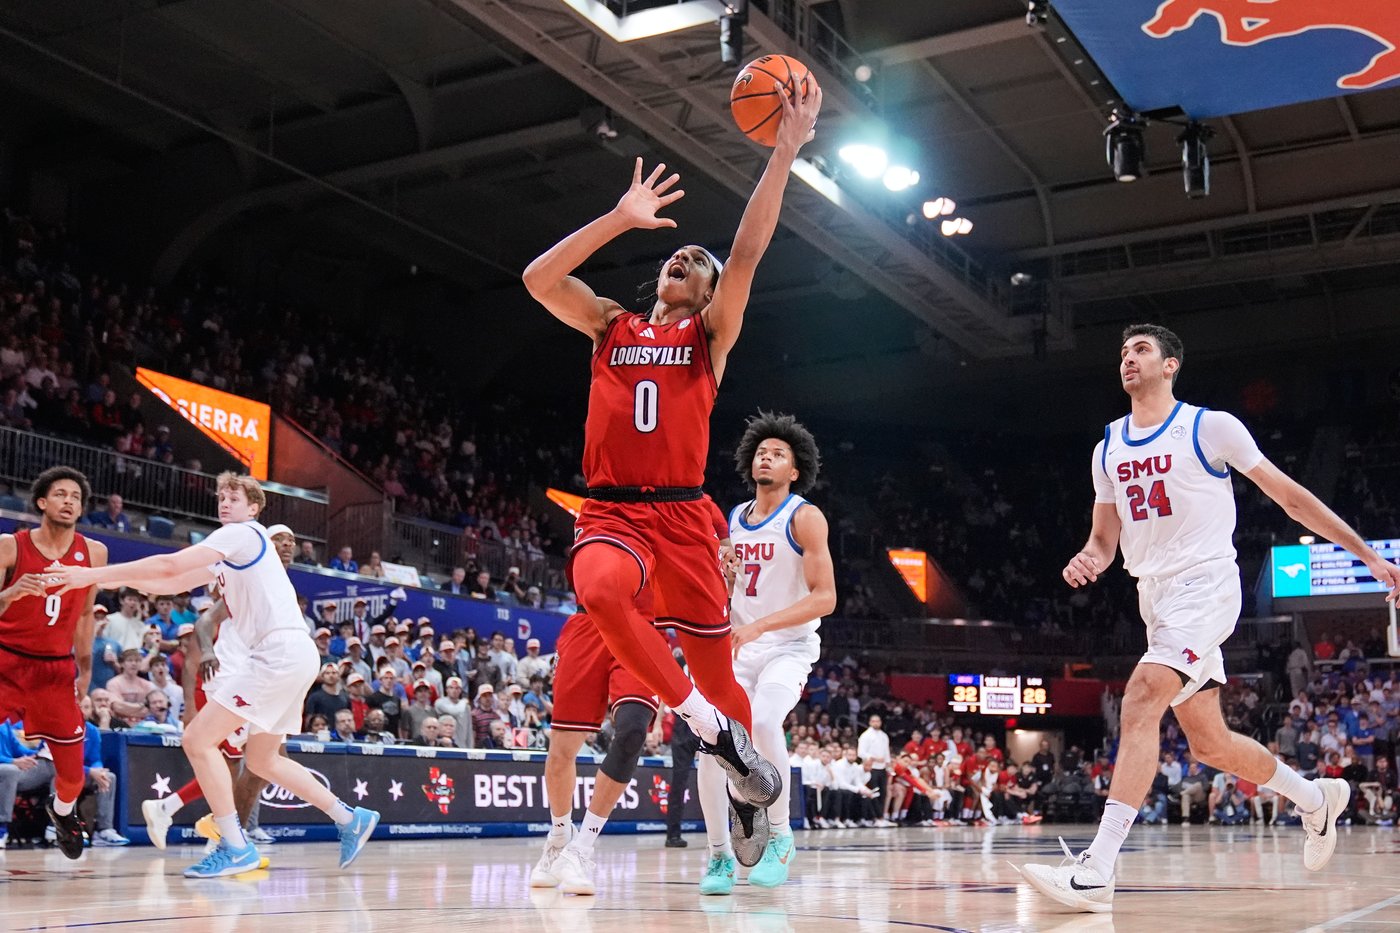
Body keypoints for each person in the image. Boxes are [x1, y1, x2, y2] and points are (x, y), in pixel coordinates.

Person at [1018, 324, 1400, 913]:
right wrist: (1088, 560)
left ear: (1170, 365)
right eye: (1123, 352)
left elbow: (1290, 497)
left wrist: (1369, 555)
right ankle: (1315, 798)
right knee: (1210, 743)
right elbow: (1103, 541)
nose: (1128, 359)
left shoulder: (1209, 426)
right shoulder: (1108, 447)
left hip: (1208, 583)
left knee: (1142, 694)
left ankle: (1097, 869)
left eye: (1141, 350)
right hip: (1155, 596)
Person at [521, 84, 822, 816]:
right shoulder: (609, 325)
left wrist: (783, 152)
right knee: (597, 589)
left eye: (699, 260)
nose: (683, 257)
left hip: (685, 519)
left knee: (726, 683)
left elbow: (748, 251)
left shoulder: (708, 338)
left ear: (712, 292)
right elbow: (537, 279)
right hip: (613, 512)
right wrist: (619, 219)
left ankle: (755, 811)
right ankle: (700, 721)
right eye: (677, 253)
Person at [52, 475, 379, 878]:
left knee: (196, 739)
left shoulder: (243, 534)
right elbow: (170, 580)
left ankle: (235, 846)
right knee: (262, 758)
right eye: (221, 497)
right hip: (293, 654)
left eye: (234, 497)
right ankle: (350, 819)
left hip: (277, 653)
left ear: (253, 507)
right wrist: (107, 577)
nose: (224, 502)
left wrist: (88, 577)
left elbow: (170, 563)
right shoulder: (227, 553)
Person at [696, 412, 835, 893]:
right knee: (709, 748)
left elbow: (825, 597)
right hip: (738, 646)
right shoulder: (733, 520)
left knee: (763, 723)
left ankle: (780, 836)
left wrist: (760, 625)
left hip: (787, 647)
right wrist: (723, 585)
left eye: (778, 453)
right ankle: (718, 856)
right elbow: (728, 588)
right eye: (760, 452)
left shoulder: (804, 516)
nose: (766, 457)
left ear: (795, 470)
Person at [140, 522, 301, 855]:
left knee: (239, 766)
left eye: (292, 540)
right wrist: (192, 698)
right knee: (264, 762)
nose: (287, 545)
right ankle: (228, 840)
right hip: (232, 677)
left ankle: (176, 812)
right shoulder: (246, 576)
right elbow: (204, 624)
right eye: (279, 540)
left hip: (259, 681)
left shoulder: (279, 586)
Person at [0, 466, 106, 859]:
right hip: (6, 660)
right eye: (61, 494)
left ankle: (61, 814)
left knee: (73, 774)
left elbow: (83, 617)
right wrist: (10, 594)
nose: (69, 502)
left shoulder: (94, 553)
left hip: (55, 670)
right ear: (42, 502)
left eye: (76, 497)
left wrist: (87, 671)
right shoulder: (10, 546)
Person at [530, 608, 661, 896]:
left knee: (632, 733)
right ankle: (560, 835)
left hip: (643, 625)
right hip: (590, 622)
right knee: (561, 749)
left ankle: (581, 848)